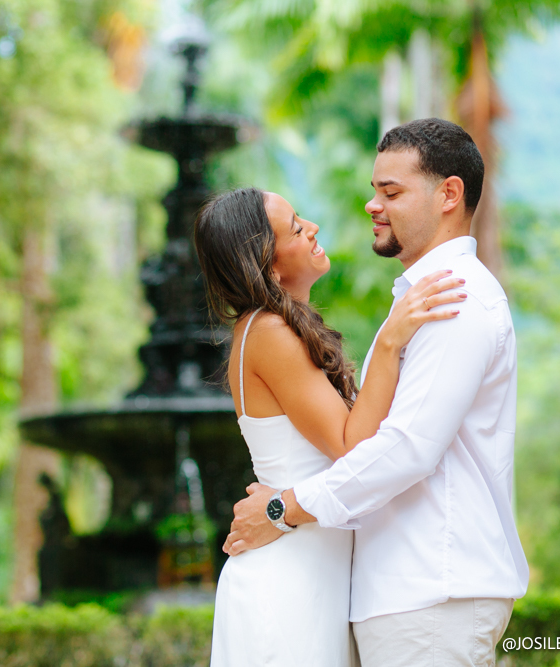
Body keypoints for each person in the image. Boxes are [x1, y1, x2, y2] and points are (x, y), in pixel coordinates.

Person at [223, 118, 530, 667]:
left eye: (391, 192)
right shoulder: (420, 301)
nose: (372, 205)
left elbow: (406, 448)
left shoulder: (451, 299)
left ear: (448, 195)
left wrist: (283, 506)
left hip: (432, 589)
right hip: (401, 589)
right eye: (374, 191)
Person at [193, 185, 467, 667]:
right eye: (297, 228)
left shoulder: (270, 328)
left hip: (310, 570)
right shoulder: (270, 332)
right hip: (290, 582)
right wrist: (390, 341)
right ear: (269, 265)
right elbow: (350, 444)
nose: (313, 227)